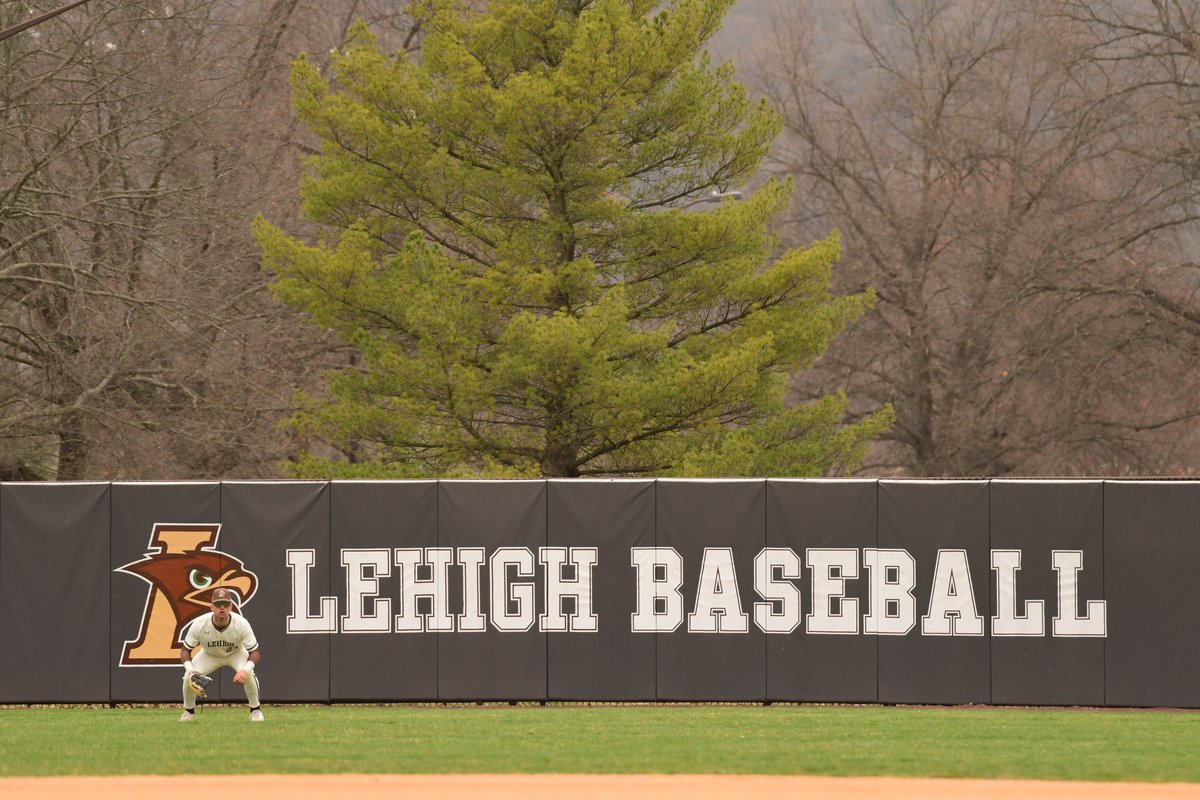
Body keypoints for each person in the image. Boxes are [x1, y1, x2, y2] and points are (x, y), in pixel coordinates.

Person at [179, 587, 264, 722]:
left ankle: (255, 710)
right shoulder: (200, 624)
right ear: (212, 607)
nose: (222, 607)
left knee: (249, 674)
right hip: (209, 654)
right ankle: (189, 712)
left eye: (225, 604)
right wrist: (191, 671)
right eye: (218, 604)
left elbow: (255, 652)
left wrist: (245, 670)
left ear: (231, 607)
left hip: (235, 653)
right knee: (187, 678)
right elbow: (185, 650)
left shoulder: (241, 623)